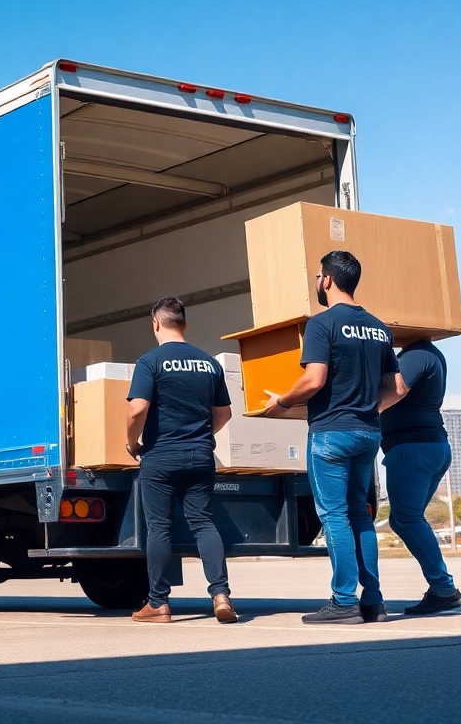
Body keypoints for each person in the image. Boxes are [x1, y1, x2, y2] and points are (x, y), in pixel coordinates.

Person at [264, 250, 406, 625]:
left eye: (317, 277)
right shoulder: (379, 328)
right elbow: (399, 388)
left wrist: (281, 402)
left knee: (335, 517)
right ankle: (373, 600)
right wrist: (369, 410)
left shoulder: (321, 324)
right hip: (367, 433)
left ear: (326, 279)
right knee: (360, 514)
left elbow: (314, 380)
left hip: (331, 433)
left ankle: (343, 601)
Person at [125, 297, 238, 624]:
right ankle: (221, 595)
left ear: (155, 324)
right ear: (185, 324)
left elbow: (137, 409)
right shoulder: (208, 363)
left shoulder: (150, 361)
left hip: (161, 456)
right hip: (201, 454)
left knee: (159, 528)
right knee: (203, 523)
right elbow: (224, 413)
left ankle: (158, 604)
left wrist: (132, 443)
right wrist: (202, 435)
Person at [380, 337, 461, 615]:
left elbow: (399, 388)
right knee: (404, 518)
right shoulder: (426, 354)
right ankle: (442, 588)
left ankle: (444, 589)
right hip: (427, 446)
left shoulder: (417, 353)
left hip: (412, 447)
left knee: (406, 518)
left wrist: (359, 412)